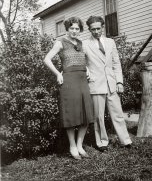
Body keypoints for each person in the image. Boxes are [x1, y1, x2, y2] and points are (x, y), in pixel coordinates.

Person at [44, 17, 93, 160]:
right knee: (71, 115)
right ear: (67, 29)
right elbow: (47, 59)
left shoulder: (80, 43)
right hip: (69, 81)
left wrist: (87, 69)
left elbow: (82, 59)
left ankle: (79, 145)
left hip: (83, 79)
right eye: (72, 28)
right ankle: (72, 146)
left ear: (80, 30)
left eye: (77, 29)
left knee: (85, 114)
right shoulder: (60, 42)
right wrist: (58, 73)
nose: (74, 31)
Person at [83, 15, 132, 152]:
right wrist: (86, 70)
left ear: (103, 27)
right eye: (93, 29)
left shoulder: (110, 42)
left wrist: (119, 81)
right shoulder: (85, 44)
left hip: (111, 83)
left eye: (98, 28)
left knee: (117, 113)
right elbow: (81, 61)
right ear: (89, 30)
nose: (96, 31)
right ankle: (102, 143)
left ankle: (125, 140)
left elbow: (116, 63)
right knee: (99, 116)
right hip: (95, 84)